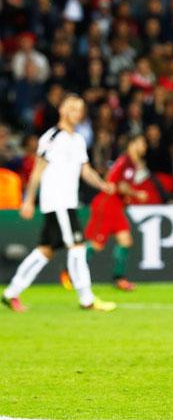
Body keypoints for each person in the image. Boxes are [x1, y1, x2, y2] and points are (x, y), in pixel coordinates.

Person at [1, 94, 116, 313]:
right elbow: (38, 169)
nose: (76, 112)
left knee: (45, 251)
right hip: (57, 201)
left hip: (67, 201)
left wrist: (102, 185)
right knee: (78, 247)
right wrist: (29, 200)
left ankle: (11, 293)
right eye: (72, 108)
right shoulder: (52, 137)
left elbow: (85, 170)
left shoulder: (78, 139)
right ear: (62, 110)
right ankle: (87, 299)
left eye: (79, 109)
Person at [61, 133, 149, 292]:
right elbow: (120, 186)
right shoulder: (127, 162)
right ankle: (69, 271)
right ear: (132, 144)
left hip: (115, 206)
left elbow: (114, 181)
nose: (145, 147)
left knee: (126, 241)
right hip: (107, 205)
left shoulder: (128, 162)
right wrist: (137, 194)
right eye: (142, 143)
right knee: (96, 245)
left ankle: (119, 279)